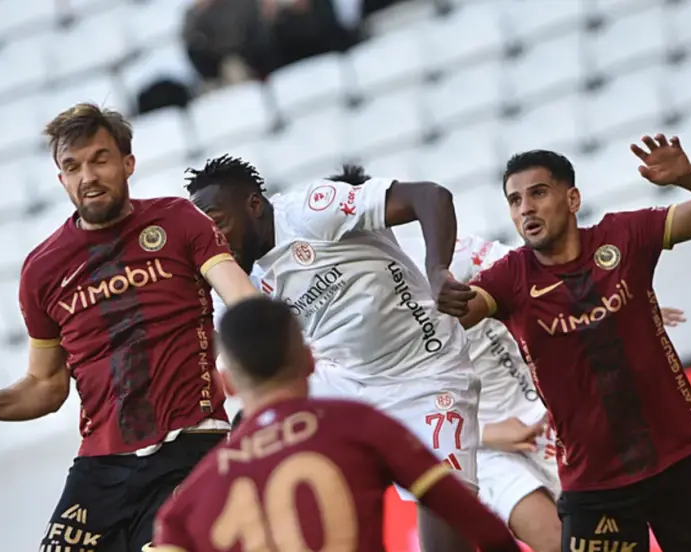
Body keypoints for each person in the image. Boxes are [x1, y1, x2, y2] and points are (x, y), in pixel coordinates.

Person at [0, 103, 259, 552]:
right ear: (61, 179)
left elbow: (246, 304)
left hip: (190, 446)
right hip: (101, 470)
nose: (88, 177)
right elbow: (46, 385)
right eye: (73, 166)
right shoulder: (42, 270)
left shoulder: (178, 220)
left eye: (100, 159)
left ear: (127, 163)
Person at [186, 156, 480, 552]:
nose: (215, 240)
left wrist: (437, 270)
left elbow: (430, 196)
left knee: (447, 522)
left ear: (254, 205)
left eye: (218, 223)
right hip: (341, 382)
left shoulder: (309, 212)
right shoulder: (233, 281)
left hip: (426, 369)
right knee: (250, 435)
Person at [459, 135, 691, 551]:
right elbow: (464, 310)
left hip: (679, 460)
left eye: (537, 193)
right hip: (594, 485)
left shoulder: (624, 235)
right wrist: (441, 289)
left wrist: (690, 177)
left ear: (572, 199)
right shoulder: (509, 277)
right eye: (514, 201)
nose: (525, 208)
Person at [147, 297, 521, 552]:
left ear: (227, 384)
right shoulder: (360, 426)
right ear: (310, 361)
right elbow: (475, 521)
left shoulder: (190, 501)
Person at [442, 233, 688, 552]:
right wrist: (483, 433)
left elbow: (541, 276)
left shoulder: (459, 250)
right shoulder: (382, 303)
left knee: (608, 541)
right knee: (557, 544)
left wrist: (614, 308)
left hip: (552, 420)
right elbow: (396, 413)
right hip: (481, 447)